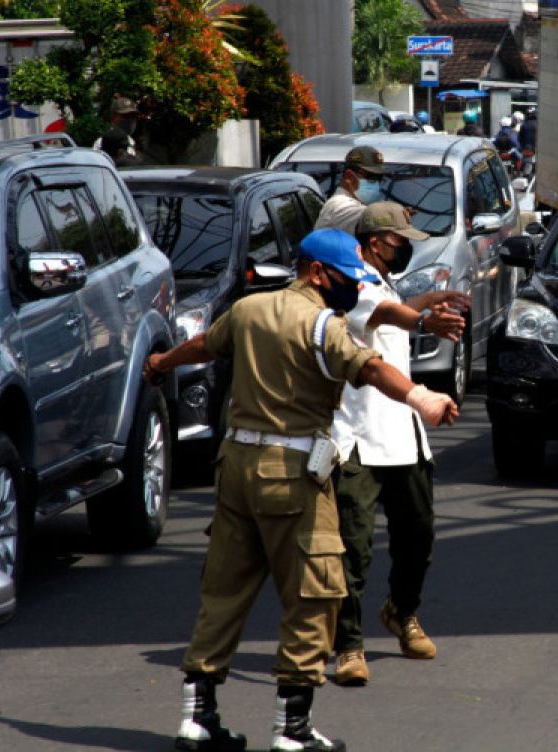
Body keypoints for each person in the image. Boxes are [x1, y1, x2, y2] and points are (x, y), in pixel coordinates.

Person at [147, 228, 460, 752]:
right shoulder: (322, 325)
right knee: (316, 592)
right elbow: (372, 366)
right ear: (317, 272)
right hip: (291, 474)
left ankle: (196, 718)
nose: (351, 290)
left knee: (223, 593)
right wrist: (421, 397)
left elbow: (206, 343)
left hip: (235, 469)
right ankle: (292, 730)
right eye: (346, 279)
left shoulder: (249, 310)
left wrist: (160, 363)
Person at [331, 203, 472, 687]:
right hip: (358, 438)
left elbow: (395, 307)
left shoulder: (381, 279)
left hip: (402, 431)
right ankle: (348, 645)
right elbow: (387, 312)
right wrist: (426, 323)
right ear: (375, 243)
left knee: (419, 536)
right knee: (353, 548)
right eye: (398, 240)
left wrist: (433, 299)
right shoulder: (351, 282)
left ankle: (401, 611)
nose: (404, 246)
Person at [315, 146, 386, 235]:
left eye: (379, 179)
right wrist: (397, 214)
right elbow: (370, 217)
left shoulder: (358, 203)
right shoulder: (338, 205)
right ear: (349, 176)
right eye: (370, 177)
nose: (376, 183)